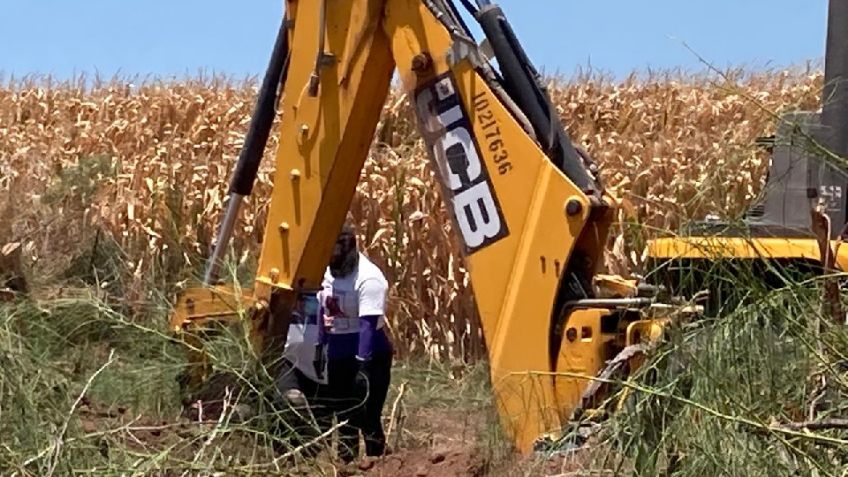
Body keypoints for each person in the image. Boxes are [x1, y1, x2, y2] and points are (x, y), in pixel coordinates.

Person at [275, 221, 393, 463]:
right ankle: (347, 465)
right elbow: (322, 308)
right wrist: (320, 345)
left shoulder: (369, 279)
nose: (331, 258)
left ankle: (379, 464)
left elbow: (368, 326)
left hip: (370, 355)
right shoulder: (327, 272)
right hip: (338, 353)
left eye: (336, 252)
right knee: (344, 415)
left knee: (368, 417)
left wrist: (362, 366)